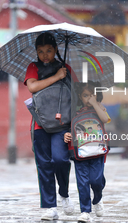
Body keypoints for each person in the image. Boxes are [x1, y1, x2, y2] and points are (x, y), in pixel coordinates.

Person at [24, 32, 76, 221]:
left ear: (55, 50)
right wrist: (56, 77)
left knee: (61, 160)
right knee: (44, 165)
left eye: (48, 50)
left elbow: (75, 96)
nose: (45, 55)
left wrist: (73, 125)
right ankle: (49, 206)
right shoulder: (33, 67)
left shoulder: (66, 68)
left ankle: (64, 194)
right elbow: (32, 87)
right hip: (40, 125)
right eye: (40, 51)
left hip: (62, 124)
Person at [64, 81, 111, 222]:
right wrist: (66, 135)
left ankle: (97, 198)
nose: (89, 98)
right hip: (80, 152)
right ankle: (85, 211)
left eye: (92, 95)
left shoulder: (100, 108)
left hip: (97, 152)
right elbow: (70, 128)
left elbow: (104, 119)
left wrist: (95, 103)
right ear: (80, 96)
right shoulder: (75, 113)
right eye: (86, 95)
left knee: (96, 180)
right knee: (82, 182)